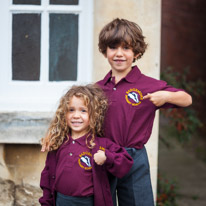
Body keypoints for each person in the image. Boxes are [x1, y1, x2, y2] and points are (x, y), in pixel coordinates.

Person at [97, 18, 192, 206]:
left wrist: (166, 96)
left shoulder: (149, 85)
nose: (119, 54)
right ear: (105, 51)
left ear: (137, 52)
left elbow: (186, 99)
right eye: (113, 47)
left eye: (126, 48)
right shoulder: (97, 89)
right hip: (104, 155)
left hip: (134, 158)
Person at [39, 84, 133, 206]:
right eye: (71, 110)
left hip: (87, 202)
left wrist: (107, 157)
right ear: (64, 114)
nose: (76, 115)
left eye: (83, 110)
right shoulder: (58, 143)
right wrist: (46, 202)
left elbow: (126, 163)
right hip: (60, 201)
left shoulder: (101, 144)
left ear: (93, 115)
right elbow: (47, 175)